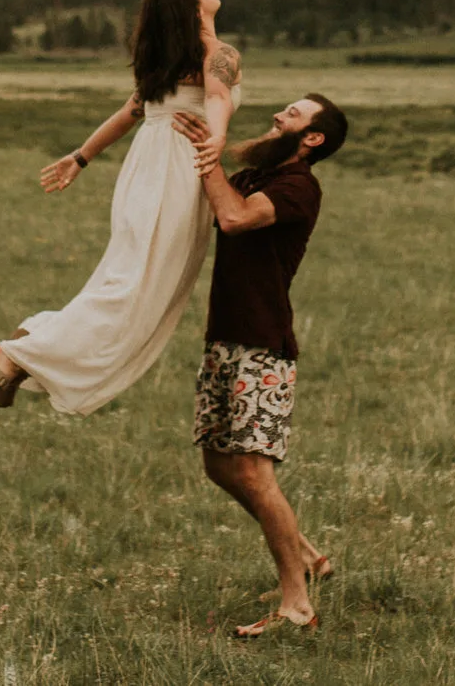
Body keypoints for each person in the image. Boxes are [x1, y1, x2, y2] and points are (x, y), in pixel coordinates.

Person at [0, 0, 240, 421]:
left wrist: (81, 157)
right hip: (174, 172)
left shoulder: (171, 57)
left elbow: (130, 113)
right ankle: (22, 354)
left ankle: (34, 345)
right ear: (191, 7)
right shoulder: (218, 53)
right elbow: (217, 97)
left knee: (126, 281)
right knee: (139, 290)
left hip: (146, 172)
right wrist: (217, 138)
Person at [177, 92, 348, 638]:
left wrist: (209, 156)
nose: (279, 115)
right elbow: (212, 202)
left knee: (253, 472)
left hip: (262, 347)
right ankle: (310, 558)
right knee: (218, 465)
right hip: (225, 337)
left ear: (312, 138)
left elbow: (233, 217)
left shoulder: (298, 187)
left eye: (293, 114)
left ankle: (297, 604)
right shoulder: (256, 176)